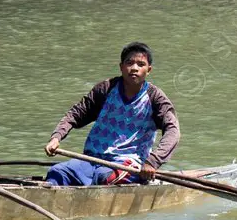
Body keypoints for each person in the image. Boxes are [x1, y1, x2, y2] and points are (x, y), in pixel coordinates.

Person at [44, 42, 180, 186]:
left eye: (141, 64)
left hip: (127, 164)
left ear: (149, 70)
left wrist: (152, 161)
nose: (134, 68)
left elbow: (173, 131)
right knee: (57, 172)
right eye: (129, 63)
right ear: (121, 67)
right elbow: (75, 114)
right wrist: (56, 137)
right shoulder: (105, 89)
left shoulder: (155, 98)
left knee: (106, 179)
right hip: (92, 160)